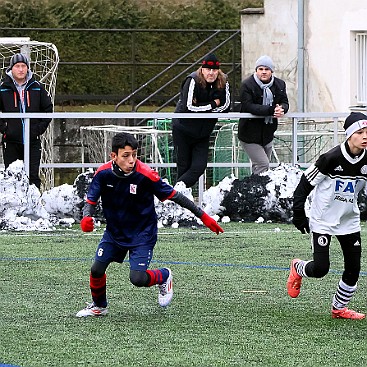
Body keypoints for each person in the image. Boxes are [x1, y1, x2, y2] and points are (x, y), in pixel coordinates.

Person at [76, 132, 224, 317]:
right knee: (96, 269)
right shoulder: (103, 174)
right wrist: (86, 218)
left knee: (137, 279)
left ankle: (164, 276)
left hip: (142, 234)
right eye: (126, 155)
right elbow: (90, 201)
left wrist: (204, 217)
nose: (132, 160)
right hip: (114, 233)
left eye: (135, 155)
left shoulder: (146, 174)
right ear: (113, 156)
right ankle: (99, 306)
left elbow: (176, 196)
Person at [287, 112, 367, 320]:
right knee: (321, 269)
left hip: (349, 220)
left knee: (353, 269)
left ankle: (339, 308)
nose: (365, 136)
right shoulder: (330, 159)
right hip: (323, 220)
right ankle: (298, 267)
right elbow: (303, 186)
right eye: (360, 132)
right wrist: (299, 214)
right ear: (349, 135)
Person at [172, 53, 230, 188]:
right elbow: (188, 107)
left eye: (214, 70)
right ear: (202, 69)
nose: (211, 73)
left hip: (203, 133)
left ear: (218, 71)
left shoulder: (224, 82)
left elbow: (226, 106)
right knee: (183, 166)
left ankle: (175, 193)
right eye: (208, 70)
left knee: (199, 166)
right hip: (183, 129)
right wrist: (213, 104)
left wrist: (204, 109)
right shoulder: (192, 80)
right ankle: (180, 199)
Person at [0, 53, 53, 189]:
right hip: (11, 141)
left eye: (23, 66)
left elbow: (48, 109)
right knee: (11, 177)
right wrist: (5, 128)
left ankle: (35, 206)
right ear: (11, 69)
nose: (21, 69)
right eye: (17, 66)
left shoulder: (37, 87)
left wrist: (38, 129)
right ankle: (13, 208)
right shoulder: (3, 88)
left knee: (32, 176)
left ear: (28, 68)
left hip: (32, 140)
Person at [238, 55, 289, 175]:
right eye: (261, 69)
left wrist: (281, 109)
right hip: (249, 134)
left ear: (272, 71)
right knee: (263, 164)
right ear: (256, 70)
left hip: (268, 133)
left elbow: (285, 102)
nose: (264, 72)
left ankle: (255, 190)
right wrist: (271, 110)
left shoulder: (280, 84)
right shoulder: (247, 85)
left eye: (267, 69)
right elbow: (249, 106)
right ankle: (257, 191)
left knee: (262, 169)